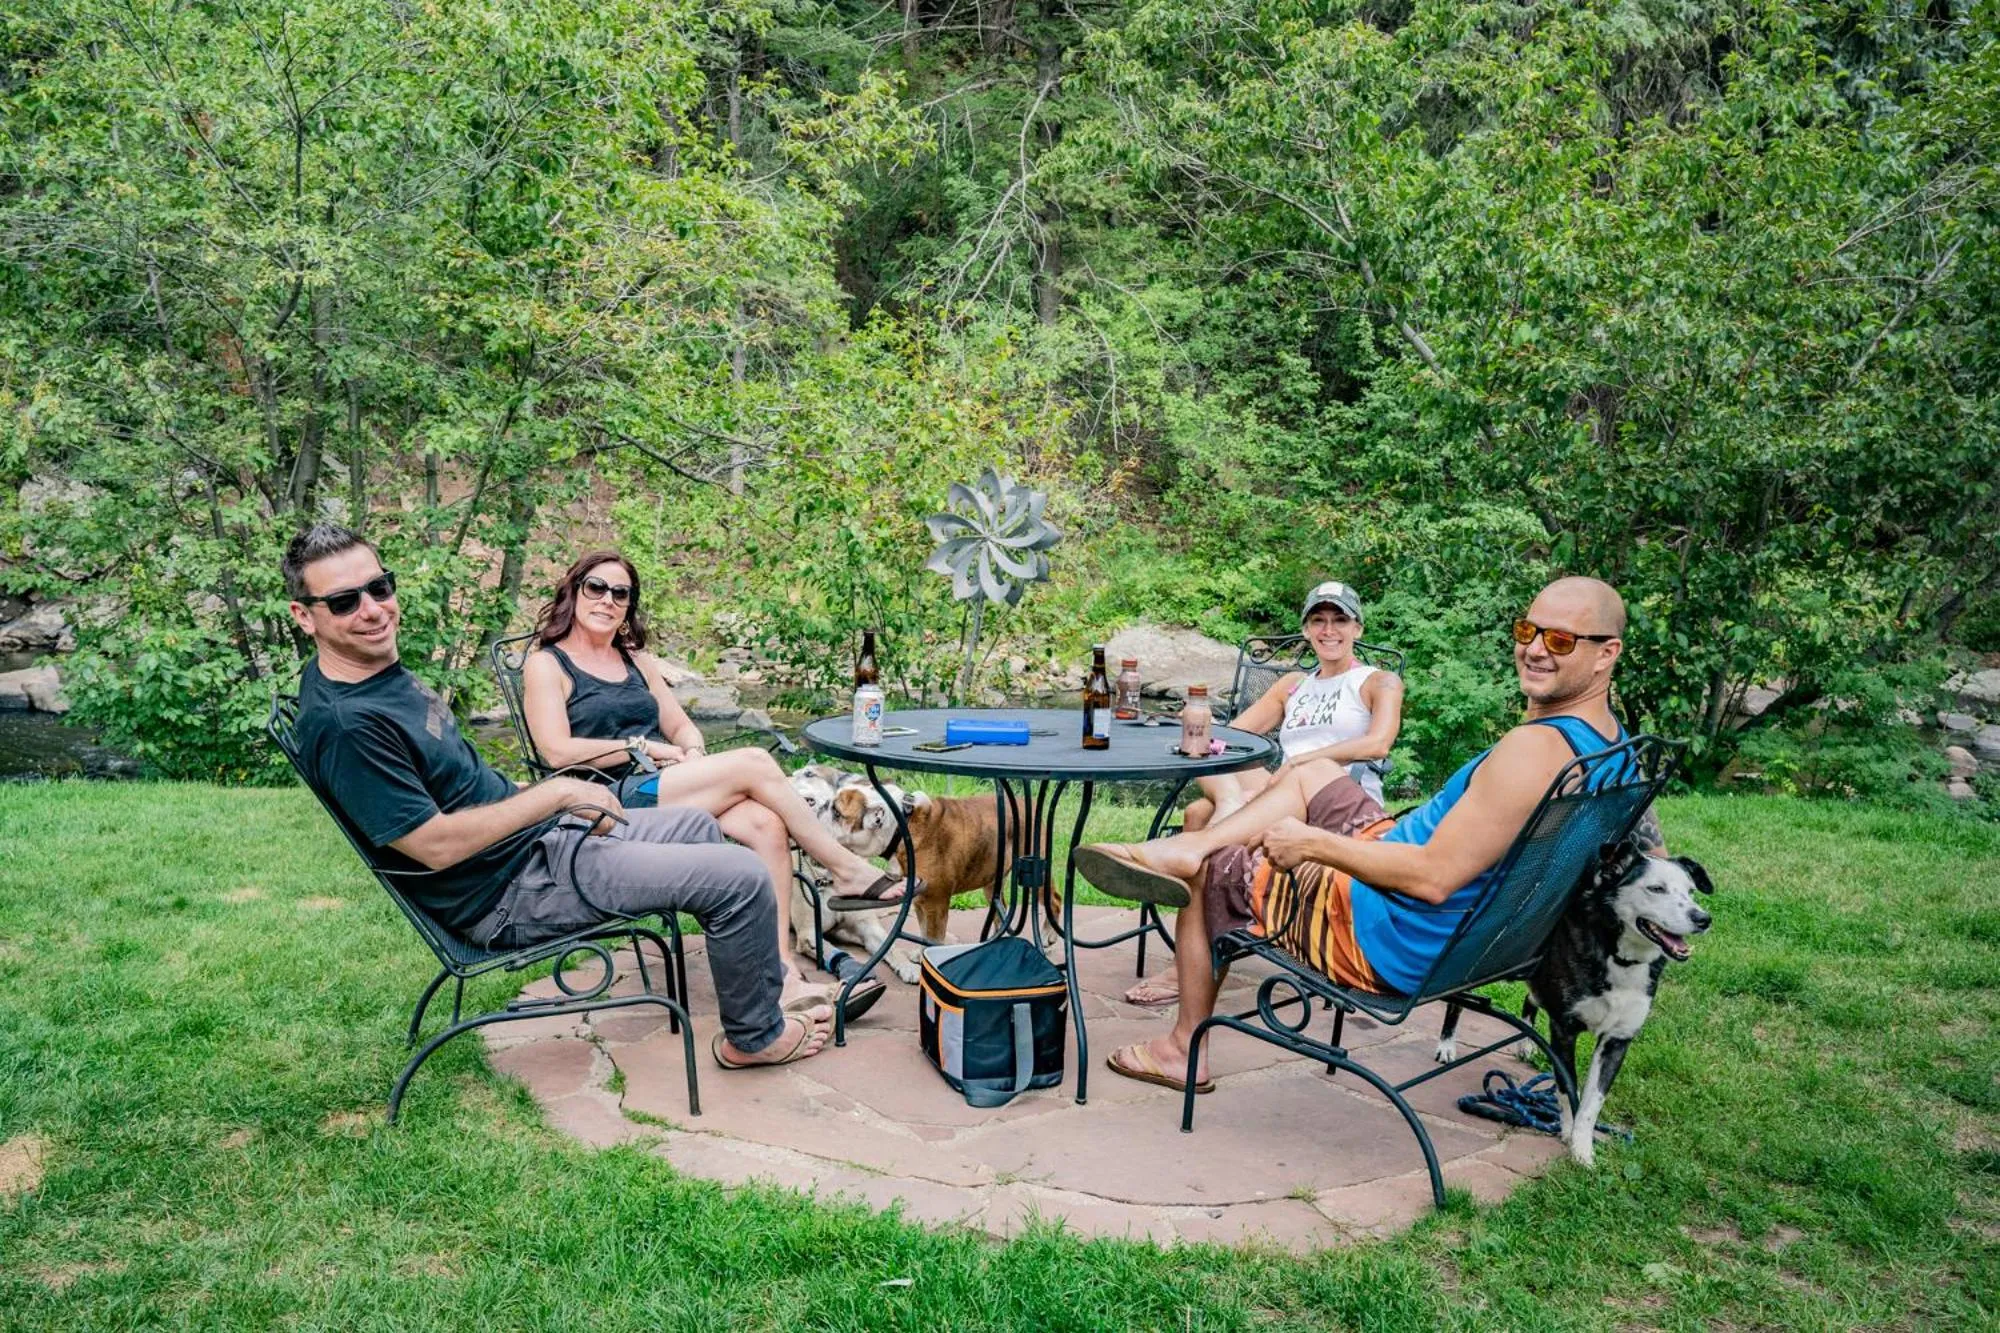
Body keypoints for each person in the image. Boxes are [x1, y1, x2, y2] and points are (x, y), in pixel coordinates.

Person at [283, 522, 847, 1069]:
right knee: (739, 876)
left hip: (536, 846)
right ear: (304, 617)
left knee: (700, 828)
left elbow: (470, 792)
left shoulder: (380, 677)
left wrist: (561, 802)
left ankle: (766, 986)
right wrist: (556, 796)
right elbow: (433, 846)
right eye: (344, 602)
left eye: (379, 588)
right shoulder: (348, 725)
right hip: (508, 891)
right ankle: (755, 1039)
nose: (373, 609)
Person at [1077, 576, 1641, 1094]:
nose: (1536, 648)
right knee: (1313, 773)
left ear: (1605, 654)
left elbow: (1432, 879)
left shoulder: (1532, 748)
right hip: (1437, 906)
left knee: (1216, 866)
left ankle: (1181, 1049)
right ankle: (1184, 848)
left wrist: (1314, 845)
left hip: (1385, 931)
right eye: (1528, 630)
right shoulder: (1614, 748)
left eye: (1561, 641)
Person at [518, 550, 912, 1013]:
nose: (607, 599)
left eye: (620, 593)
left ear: (629, 605)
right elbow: (556, 750)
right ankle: (846, 869)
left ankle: (781, 975)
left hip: (662, 783)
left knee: (765, 823)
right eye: (597, 588)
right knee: (752, 761)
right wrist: (641, 749)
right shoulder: (548, 664)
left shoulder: (635, 661)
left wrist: (691, 754)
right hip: (605, 799)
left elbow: (683, 727)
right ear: (575, 591)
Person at [1123, 579, 1404, 1006]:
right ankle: (1192, 957)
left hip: (1337, 809)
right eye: (1318, 621)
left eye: (1339, 620)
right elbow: (1233, 737)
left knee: (1201, 815)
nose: (1329, 630)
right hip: (1278, 796)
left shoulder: (1377, 682)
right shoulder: (1292, 684)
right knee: (1204, 753)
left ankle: (1192, 955)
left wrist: (1302, 763)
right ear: (1307, 630)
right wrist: (1190, 721)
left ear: (1358, 629)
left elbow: (1378, 743)